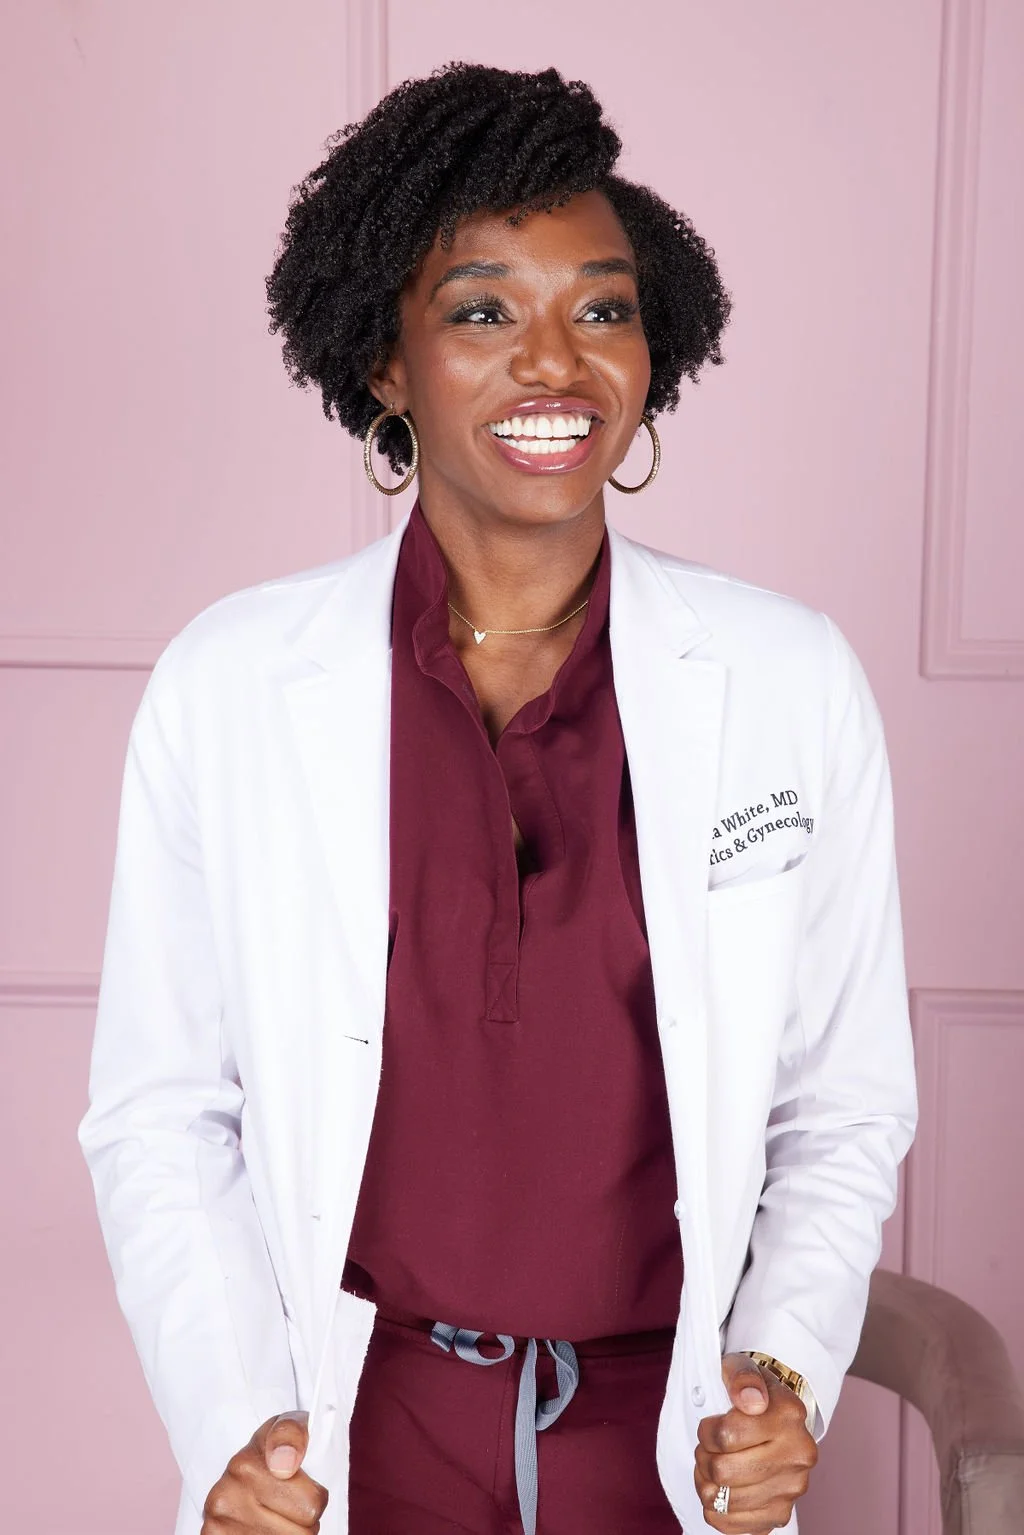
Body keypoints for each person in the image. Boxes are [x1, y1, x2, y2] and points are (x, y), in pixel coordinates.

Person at [78, 61, 917, 1535]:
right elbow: (162, 1110)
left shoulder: (789, 682)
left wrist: (778, 1368)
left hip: (666, 1449)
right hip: (364, 1435)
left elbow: (839, 1107)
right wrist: (238, 1414)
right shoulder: (229, 687)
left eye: (600, 307)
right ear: (384, 362)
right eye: (482, 311)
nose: (556, 363)